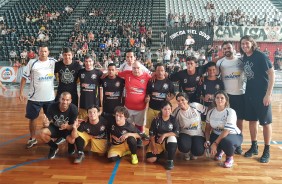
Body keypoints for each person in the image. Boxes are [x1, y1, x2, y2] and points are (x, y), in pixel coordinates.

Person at [240, 35, 275, 163]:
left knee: (265, 122)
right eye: (242, 44)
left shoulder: (260, 56)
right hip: (249, 93)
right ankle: (254, 146)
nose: (244, 46)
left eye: (247, 43)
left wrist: (268, 94)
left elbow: (272, 74)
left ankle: (267, 150)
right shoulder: (244, 57)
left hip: (262, 94)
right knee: (252, 121)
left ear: (252, 43)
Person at [19, 43, 56, 148]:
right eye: (41, 51)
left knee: (50, 119)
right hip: (34, 97)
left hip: (49, 98)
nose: (43, 53)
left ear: (48, 52)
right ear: (38, 52)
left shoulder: (53, 62)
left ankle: (50, 137)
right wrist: (20, 92)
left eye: (45, 51)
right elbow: (24, 77)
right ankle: (33, 138)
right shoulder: (32, 62)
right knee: (32, 118)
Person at [216, 41, 245, 154]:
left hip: (240, 94)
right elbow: (214, 75)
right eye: (224, 48)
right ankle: (224, 144)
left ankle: (238, 144)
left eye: (228, 47)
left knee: (239, 120)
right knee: (225, 121)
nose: (227, 50)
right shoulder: (220, 62)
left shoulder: (241, 60)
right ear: (222, 51)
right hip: (226, 96)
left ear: (234, 48)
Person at [204, 90, 243, 168]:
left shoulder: (231, 112)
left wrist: (215, 144)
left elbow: (226, 131)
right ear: (214, 99)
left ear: (226, 100)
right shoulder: (211, 112)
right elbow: (207, 129)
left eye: (222, 98)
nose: (219, 100)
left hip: (232, 135)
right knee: (211, 142)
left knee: (226, 141)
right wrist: (208, 141)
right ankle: (220, 151)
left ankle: (229, 157)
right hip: (217, 134)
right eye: (217, 98)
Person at [118, 61, 151, 142]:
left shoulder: (147, 76)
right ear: (131, 68)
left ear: (141, 68)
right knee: (127, 124)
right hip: (128, 107)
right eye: (134, 68)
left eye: (138, 68)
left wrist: (148, 96)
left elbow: (155, 79)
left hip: (140, 108)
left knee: (139, 125)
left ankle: (139, 138)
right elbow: (115, 72)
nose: (136, 70)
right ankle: (129, 139)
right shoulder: (127, 73)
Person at [40, 92, 78, 159]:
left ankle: (70, 145)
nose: (65, 102)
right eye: (63, 99)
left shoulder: (74, 109)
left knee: (72, 140)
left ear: (70, 101)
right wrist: (45, 124)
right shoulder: (52, 106)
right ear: (59, 99)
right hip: (55, 127)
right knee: (42, 133)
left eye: (67, 100)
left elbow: (73, 126)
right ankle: (54, 147)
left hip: (66, 129)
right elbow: (47, 123)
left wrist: (67, 126)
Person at [173, 92, 208, 160]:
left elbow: (208, 111)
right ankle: (187, 152)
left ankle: (194, 152)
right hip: (184, 133)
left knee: (199, 151)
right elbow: (170, 119)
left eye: (182, 100)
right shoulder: (177, 111)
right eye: (178, 100)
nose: (180, 102)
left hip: (198, 133)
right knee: (184, 147)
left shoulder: (195, 106)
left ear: (187, 100)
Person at [146, 101, 179, 170]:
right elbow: (151, 134)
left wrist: (164, 135)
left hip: (167, 142)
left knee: (173, 138)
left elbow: (176, 132)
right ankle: (161, 153)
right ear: (161, 109)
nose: (167, 111)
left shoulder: (173, 119)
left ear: (171, 109)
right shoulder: (156, 120)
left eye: (169, 109)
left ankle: (170, 160)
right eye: (165, 109)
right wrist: (153, 146)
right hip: (157, 142)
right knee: (150, 159)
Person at [146, 63, 175, 129]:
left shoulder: (169, 82)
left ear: (165, 71)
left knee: (161, 127)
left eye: (162, 70)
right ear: (155, 71)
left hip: (163, 109)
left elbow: (173, 93)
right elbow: (148, 92)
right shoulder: (151, 81)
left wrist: (169, 98)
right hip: (151, 108)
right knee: (150, 126)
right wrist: (147, 97)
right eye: (158, 70)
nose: (160, 72)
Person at [78, 56, 103, 120]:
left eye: (90, 61)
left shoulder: (99, 73)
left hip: (94, 103)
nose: (88, 63)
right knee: (83, 123)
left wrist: (101, 104)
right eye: (86, 61)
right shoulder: (80, 72)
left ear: (93, 62)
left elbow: (102, 88)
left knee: (94, 122)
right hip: (83, 103)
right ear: (84, 62)